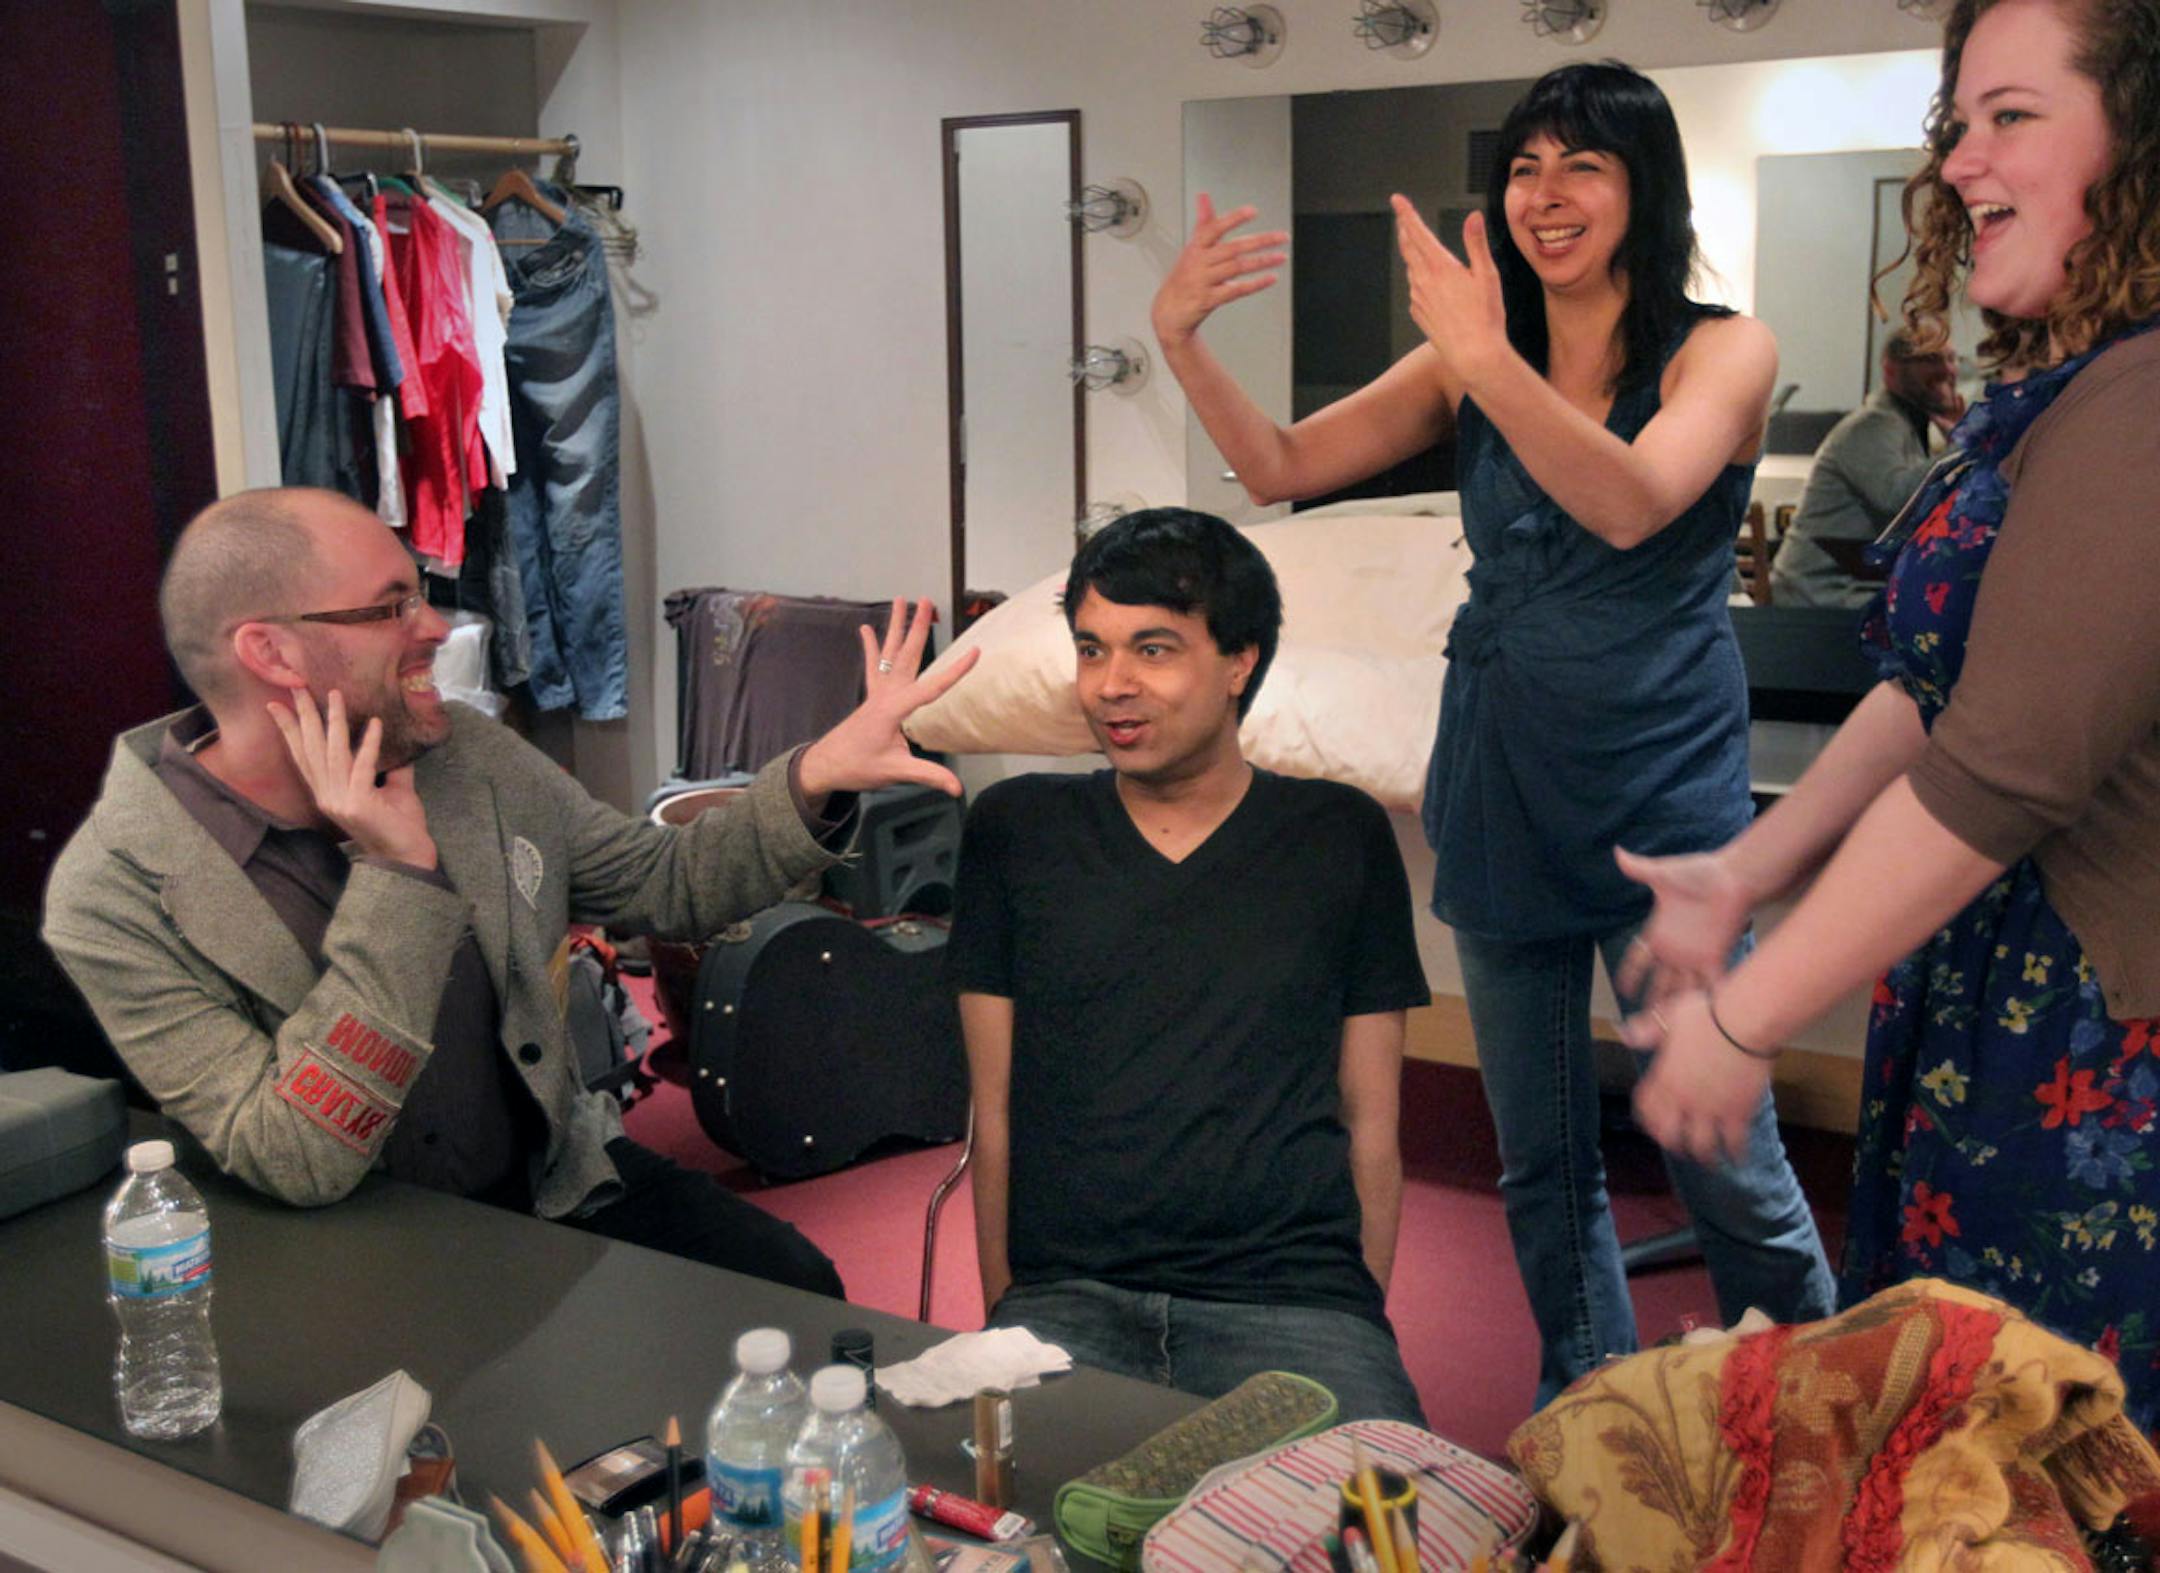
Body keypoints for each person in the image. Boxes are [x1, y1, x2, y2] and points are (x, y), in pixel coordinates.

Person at [1152, 60, 1833, 1405]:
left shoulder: (1724, 347)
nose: (1545, 193)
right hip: (1502, 770)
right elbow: (1279, 468)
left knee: (1723, 1148)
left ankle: (1813, 1400)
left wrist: (1480, 359)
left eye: (1581, 164)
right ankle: (1596, 1407)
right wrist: (1180, 342)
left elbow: (1633, 500)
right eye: (1523, 166)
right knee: (1543, 1160)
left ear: (1645, 187)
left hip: (1664, 790)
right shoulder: (1474, 355)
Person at [1618, 0, 2160, 1433]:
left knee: (2042, 1472)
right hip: (1999, 1007)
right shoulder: (2072, 391)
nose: (1960, 161)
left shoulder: (2145, 398)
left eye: (2014, 115)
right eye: (1957, 122)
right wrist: (1750, 867)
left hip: (2101, 1055)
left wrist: (1746, 1015)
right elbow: (1943, 692)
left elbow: (2008, 765)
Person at [44, 486, 975, 1296]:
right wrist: (400, 876)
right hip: (352, 1252)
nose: (436, 629)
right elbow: (295, 1155)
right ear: (271, 653)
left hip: (552, 1177)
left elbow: (663, 882)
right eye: (390, 606)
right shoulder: (118, 893)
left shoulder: (464, 755)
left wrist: (819, 773)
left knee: (799, 1295)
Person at [948, 508, 1430, 1424]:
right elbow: (996, 1108)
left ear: (1240, 660)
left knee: (1385, 1535)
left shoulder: (1340, 836)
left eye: (1154, 650)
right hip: (1067, 1300)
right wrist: (1008, 1315)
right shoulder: (1016, 830)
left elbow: (1373, 1121)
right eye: (1092, 650)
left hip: (1294, 1304)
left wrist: (1355, 1317)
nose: (1112, 686)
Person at [1769, 334, 1965, 608]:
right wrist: (1965, 444)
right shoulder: (1872, 425)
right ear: (1890, 370)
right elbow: (1898, 499)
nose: (1948, 369)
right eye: (1930, 359)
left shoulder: (1904, 425)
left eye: (1951, 358)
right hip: (1820, 599)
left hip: (1851, 591)